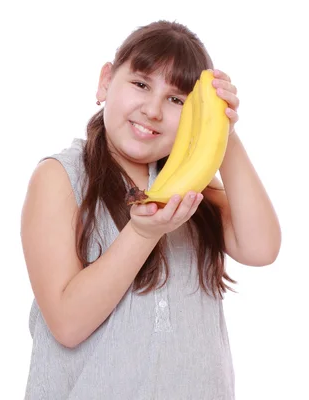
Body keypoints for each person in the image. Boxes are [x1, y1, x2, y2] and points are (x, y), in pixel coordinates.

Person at [20, 19, 281, 400]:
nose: (154, 110)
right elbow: (67, 323)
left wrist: (225, 133)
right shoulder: (61, 178)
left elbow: (261, 249)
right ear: (106, 81)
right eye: (141, 84)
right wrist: (143, 233)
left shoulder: (192, 186)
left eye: (177, 100)